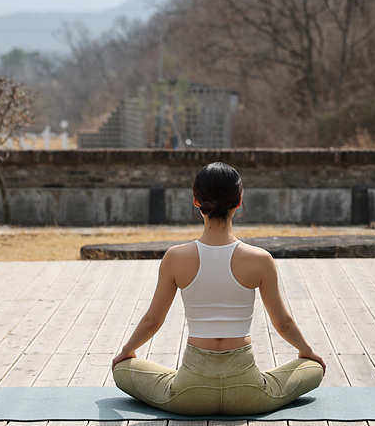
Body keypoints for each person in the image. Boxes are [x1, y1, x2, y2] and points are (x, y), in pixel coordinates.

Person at [112, 162, 325, 416]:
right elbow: (283, 324)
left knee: (122, 369)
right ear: (238, 202)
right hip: (247, 393)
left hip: (190, 394)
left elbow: (152, 321)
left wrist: (126, 352)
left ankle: (181, 379)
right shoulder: (260, 259)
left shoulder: (175, 258)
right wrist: (307, 352)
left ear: (195, 201)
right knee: (313, 367)